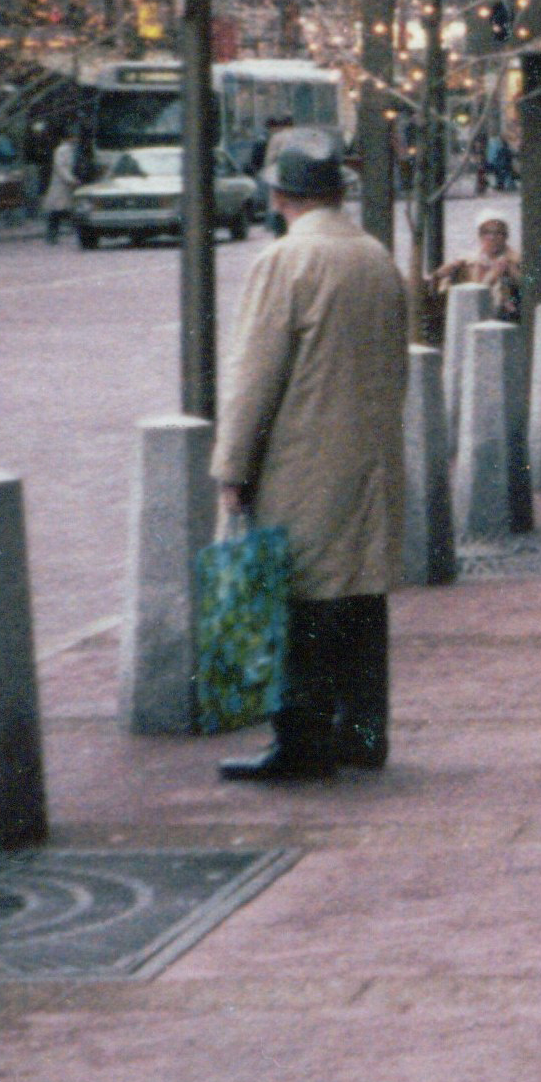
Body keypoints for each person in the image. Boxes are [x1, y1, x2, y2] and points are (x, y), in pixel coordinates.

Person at [211, 130, 409, 782]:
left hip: (302, 457)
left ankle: (302, 741)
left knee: (300, 596)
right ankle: (362, 730)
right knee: (360, 593)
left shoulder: (285, 261)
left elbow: (253, 375)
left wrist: (231, 468)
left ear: (278, 191)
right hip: (370, 458)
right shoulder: (376, 254)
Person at [427, 215, 524, 325]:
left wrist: (509, 272)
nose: (491, 237)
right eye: (486, 232)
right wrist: (442, 274)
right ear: (480, 236)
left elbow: (527, 290)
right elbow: (441, 292)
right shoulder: (466, 260)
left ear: (505, 236)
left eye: (498, 233)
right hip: (472, 315)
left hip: (507, 319)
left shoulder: (517, 261)